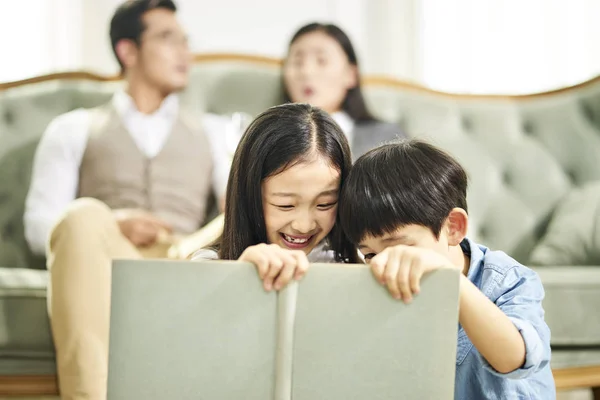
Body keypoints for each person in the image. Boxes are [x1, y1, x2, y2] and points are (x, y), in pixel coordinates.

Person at [22, 1, 229, 398]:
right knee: (80, 216)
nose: (185, 53)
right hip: (105, 257)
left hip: (186, 256)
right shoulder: (73, 128)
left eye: (186, 41)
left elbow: (233, 211)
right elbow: (39, 226)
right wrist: (111, 221)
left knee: (246, 201)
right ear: (127, 51)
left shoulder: (214, 131)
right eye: (169, 39)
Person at [338, 139, 555, 399]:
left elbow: (513, 358)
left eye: (397, 248)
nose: (384, 263)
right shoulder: (380, 285)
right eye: (370, 254)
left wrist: (450, 280)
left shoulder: (507, 280)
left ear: (452, 227)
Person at [192, 103, 360, 290]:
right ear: (249, 196)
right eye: (286, 205)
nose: (304, 226)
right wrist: (238, 277)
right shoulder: (207, 267)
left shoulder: (351, 266)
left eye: (324, 204)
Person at [282, 22, 407, 158]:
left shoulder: (388, 138)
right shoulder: (268, 137)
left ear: (351, 74)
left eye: (321, 61)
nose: (306, 72)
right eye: (297, 62)